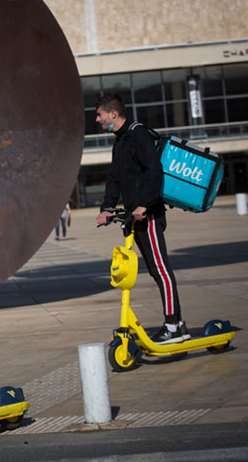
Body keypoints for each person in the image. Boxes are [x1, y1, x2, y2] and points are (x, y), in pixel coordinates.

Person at [94, 94, 190, 344]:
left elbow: (154, 171)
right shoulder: (119, 141)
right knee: (155, 271)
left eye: (99, 114)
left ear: (112, 114)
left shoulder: (138, 133)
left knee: (162, 270)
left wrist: (143, 204)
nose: (97, 119)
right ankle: (177, 323)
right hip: (135, 216)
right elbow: (115, 177)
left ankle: (173, 325)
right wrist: (106, 208)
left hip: (149, 215)